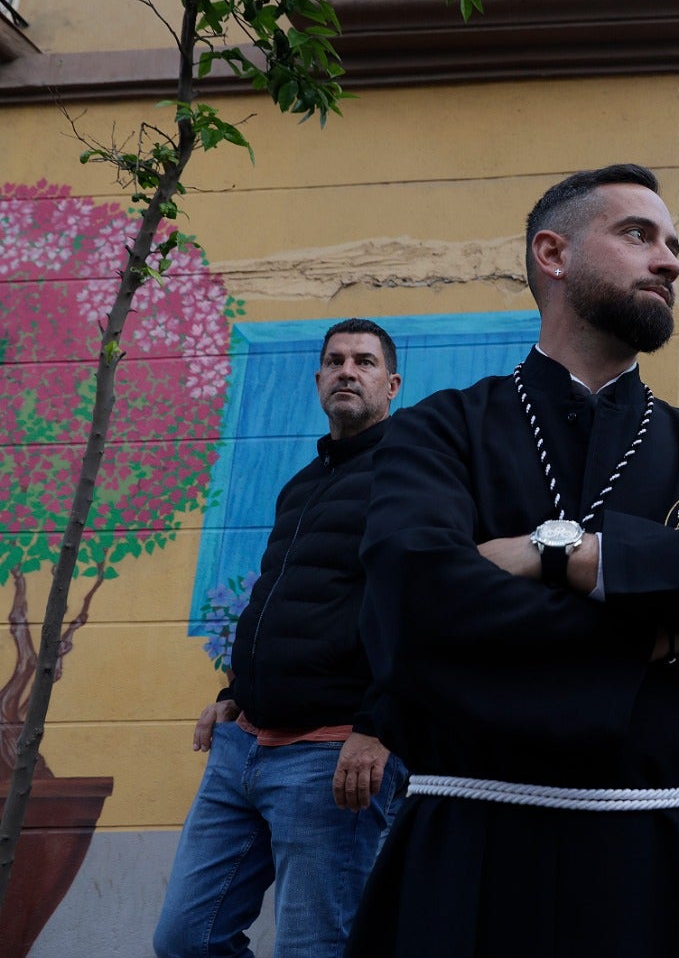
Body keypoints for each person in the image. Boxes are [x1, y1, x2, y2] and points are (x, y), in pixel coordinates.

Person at [346, 163, 679, 957]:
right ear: (553, 254)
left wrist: (572, 557)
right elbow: (413, 608)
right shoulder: (440, 432)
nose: (669, 260)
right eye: (638, 235)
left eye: (674, 244)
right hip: (476, 855)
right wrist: (669, 626)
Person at [154, 319, 407, 958]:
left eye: (365, 362)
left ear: (392, 384)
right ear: (319, 378)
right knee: (187, 939)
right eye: (335, 361)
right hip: (243, 747)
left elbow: (419, 608)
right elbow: (276, 600)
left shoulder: (408, 480)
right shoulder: (302, 483)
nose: (348, 371)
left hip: (329, 757)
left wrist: (378, 728)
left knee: (316, 948)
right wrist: (233, 693)